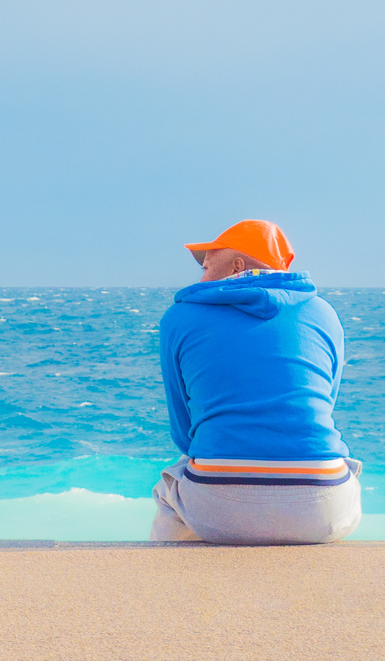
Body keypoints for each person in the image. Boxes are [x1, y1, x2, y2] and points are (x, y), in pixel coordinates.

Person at [150, 219, 362, 544]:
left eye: (207, 267)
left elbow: (183, 432)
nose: (202, 277)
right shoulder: (324, 313)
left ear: (237, 265)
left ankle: (164, 581)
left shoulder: (179, 317)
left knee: (171, 484)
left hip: (217, 509)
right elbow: (324, 402)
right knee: (340, 462)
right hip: (323, 506)